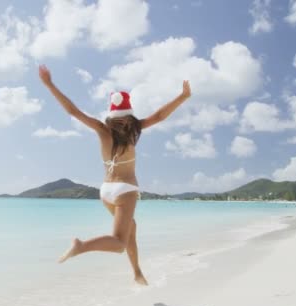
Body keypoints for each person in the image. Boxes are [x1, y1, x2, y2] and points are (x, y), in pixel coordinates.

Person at [38, 65, 191, 285]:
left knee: (131, 229)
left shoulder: (102, 129)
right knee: (119, 243)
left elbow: (73, 111)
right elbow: (159, 115)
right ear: (128, 114)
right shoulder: (134, 129)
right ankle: (82, 246)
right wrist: (183, 96)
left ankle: (137, 272)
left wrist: (50, 84)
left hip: (106, 191)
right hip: (125, 190)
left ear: (111, 114)